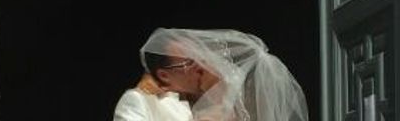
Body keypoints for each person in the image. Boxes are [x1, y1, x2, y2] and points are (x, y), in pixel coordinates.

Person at [112, 27, 309, 121]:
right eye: (189, 63)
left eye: (199, 57)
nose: (200, 67)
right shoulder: (140, 100)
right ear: (164, 75)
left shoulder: (218, 100)